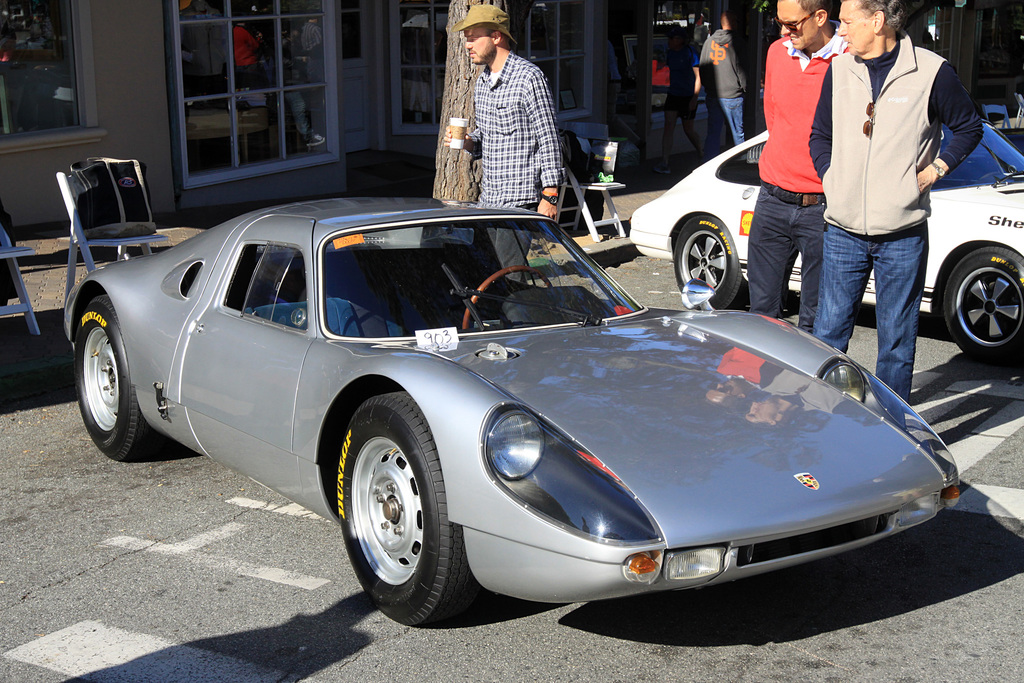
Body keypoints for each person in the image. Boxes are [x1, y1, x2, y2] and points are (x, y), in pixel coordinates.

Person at [808, 0, 982, 401]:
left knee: (897, 346)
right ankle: (821, 422)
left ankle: (894, 433)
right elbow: (820, 134)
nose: (841, 30)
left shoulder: (932, 72)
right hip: (842, 230)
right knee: (828, 338)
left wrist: (937, 168)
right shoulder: (839, 70)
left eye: (848, 22)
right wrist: (832, 178)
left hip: (903, 234)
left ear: (877, 20)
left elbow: (969, 127)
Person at [745, 0, 845, 334]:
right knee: (762, 314)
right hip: (772, 199)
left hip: (822, 206)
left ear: (820, 17)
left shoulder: (849, 59)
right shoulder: (776, 52)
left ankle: (808, 388)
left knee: (816, 321)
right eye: (779, 22)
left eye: (792, 24)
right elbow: (774, 117)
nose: (785, 32)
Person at [444, 5, 564, 219]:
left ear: (496, 36)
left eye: (473, 38)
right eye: (466, 38)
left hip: (521, 200)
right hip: (489, 199)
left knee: (510, 255)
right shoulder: (482, 82)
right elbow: (487, 136)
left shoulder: (529, 78)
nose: (467, 45)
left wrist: (550, 196)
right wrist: (467, 141)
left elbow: (549, 139)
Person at [653, 26, 702, 174]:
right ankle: (665, 162)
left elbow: (699, 77)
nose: (668, 41)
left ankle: (702, 154)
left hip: (687, 96)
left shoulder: (690, 53)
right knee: (668, 126)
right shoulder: (669, 54)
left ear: (679, 40)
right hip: (673, 94)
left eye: (671, 38)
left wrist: (694, 98)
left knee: (688, 129)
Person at [699, 10, 747, 160]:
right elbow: (742, 68)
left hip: (714, 95)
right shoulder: (737, 41)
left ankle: (709, 163)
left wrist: (708, 88)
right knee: (737, 134)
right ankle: (741, 163)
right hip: (733, 94)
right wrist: (744, 87)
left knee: (713, 132)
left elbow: (703, 67)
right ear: (733, 22)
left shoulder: (709, 42)